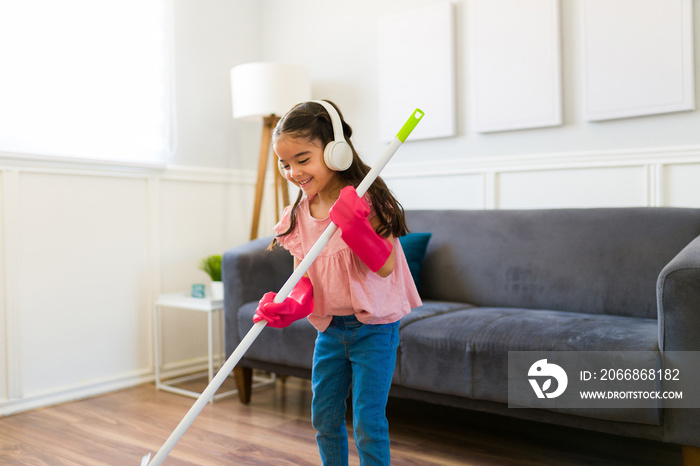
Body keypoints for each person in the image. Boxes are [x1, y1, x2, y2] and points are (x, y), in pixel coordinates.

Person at [253, 100, 421, 465]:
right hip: (330, 331)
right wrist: (289, 305)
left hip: (374, 328)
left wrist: (356, 226)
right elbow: (303, 278)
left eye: (303, 159)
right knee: (324, 418)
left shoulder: (366, 198)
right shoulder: (298, 215)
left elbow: (386, 266)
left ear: (335, 151)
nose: (293, 171)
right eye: (285, 163)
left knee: (367, 422)